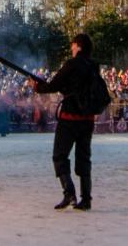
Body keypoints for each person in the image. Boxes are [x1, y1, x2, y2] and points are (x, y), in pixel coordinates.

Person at [30, 33, 102, 211]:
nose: (71, 48)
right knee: (84, 159)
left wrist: (38, 87)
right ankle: (86, 199)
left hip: (70, 118)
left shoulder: (72, 64)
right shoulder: (93, 66)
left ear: (78, 46)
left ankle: (69, 193)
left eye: (73, 45)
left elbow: (54, 84)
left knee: (59, 156)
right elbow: (70, 86)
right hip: (87, 119)